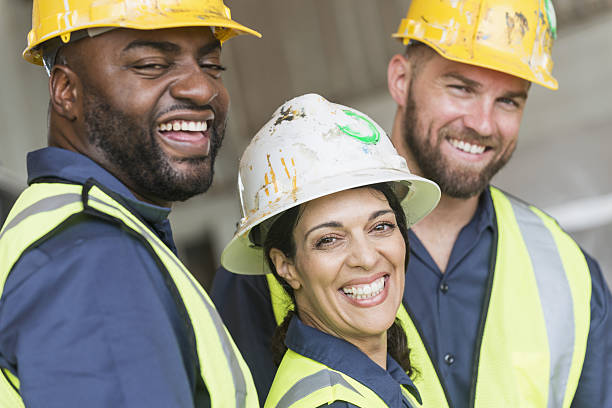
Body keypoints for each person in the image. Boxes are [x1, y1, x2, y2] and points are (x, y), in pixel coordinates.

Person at [211, 1, 612, 407]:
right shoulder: (260, 274)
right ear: (401, 79)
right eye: (461, 88)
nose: (483, 123)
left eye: (508, 100)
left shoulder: (568, 270)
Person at [0, 0, 261, 407]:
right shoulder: (92, 257)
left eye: (212, 66)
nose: (203, 88)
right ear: (66, 91)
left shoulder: (80, 230)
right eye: (152, 65)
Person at [220, 94, 440, 407]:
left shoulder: (358, 382)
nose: (365, 257)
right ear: (286, 266)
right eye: (329, 239)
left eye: (380, 227)